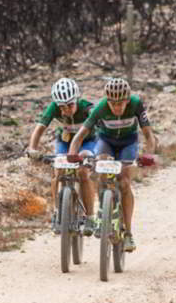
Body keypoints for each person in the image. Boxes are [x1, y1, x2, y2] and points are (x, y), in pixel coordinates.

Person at [68, 74, 155, 250]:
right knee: (99, 167)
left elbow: (148, 135)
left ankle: (129, 233)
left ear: (127, 100)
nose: (116, 107)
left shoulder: (136, 103)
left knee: (124, 182)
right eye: (112, 103)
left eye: (120, 103)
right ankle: (102, 212)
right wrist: (72, 152)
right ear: (107, 101)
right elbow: (81, 134)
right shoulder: (100, 107)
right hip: (106, 141)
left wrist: (149, 154)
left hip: (128, 142)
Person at [26, 77, 97, 230]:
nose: (66, 109)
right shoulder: (53, 108)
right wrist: (32, 148)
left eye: (70, 104)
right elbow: (39, 129)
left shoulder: (86, 108)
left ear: (77, 99)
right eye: (62, 107)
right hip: (64, 142)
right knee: (58, 171)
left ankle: (90, 217)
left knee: (83, 173)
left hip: (87, 141)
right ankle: (57, 212)